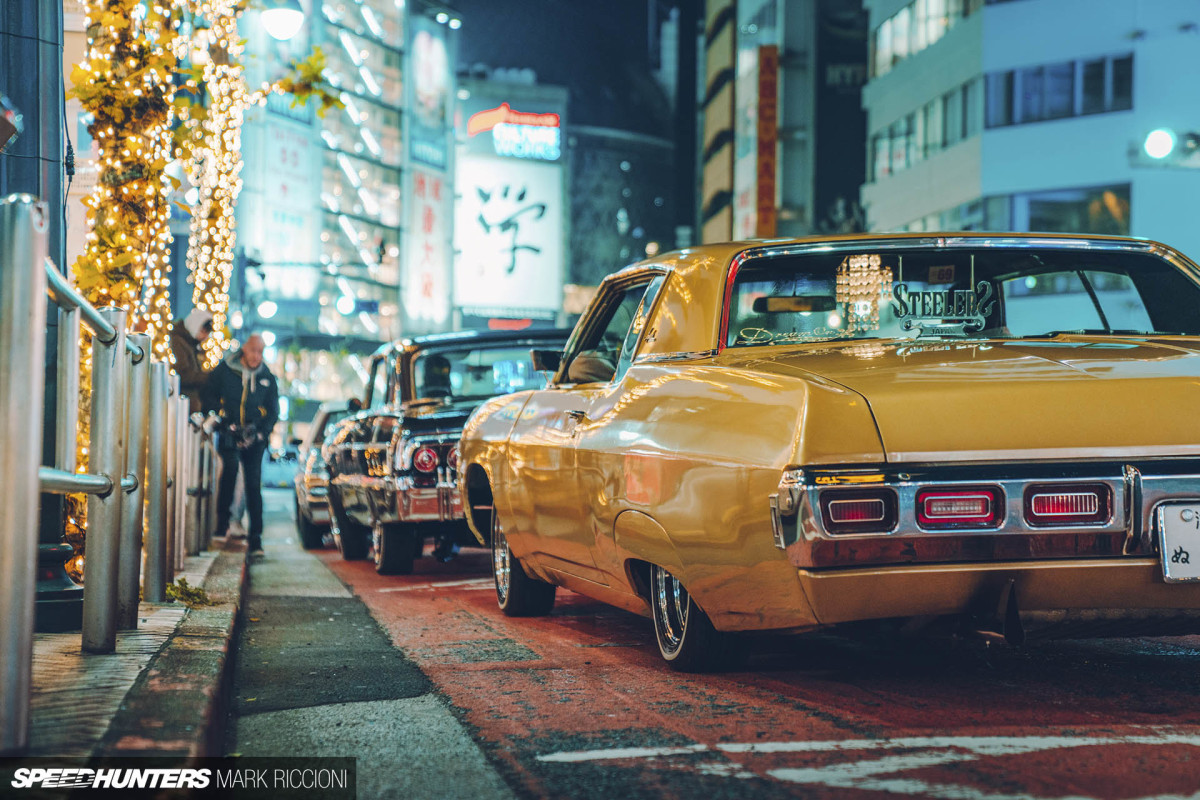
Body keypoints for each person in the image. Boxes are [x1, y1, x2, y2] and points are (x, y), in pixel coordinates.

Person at [209, 333, 279, 557]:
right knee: (228, 473)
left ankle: (256, 539)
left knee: (253, 484)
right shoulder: (225, 370)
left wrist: (260, 433)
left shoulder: (267, 378)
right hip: (229, 433)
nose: (257, 357)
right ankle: (221, 527)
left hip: (254, 438)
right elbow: (208, 394)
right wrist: (221, 421)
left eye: (261, 352)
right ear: (244, 350)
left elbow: (273, 411)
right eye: (253, 351)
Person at [169, 308, 214, 413]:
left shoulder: (191, 344)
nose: (205, 337)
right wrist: (207, 377)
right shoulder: (179, 342)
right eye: (203, 331)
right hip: (182, 404)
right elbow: (183, 374)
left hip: (189, 403)